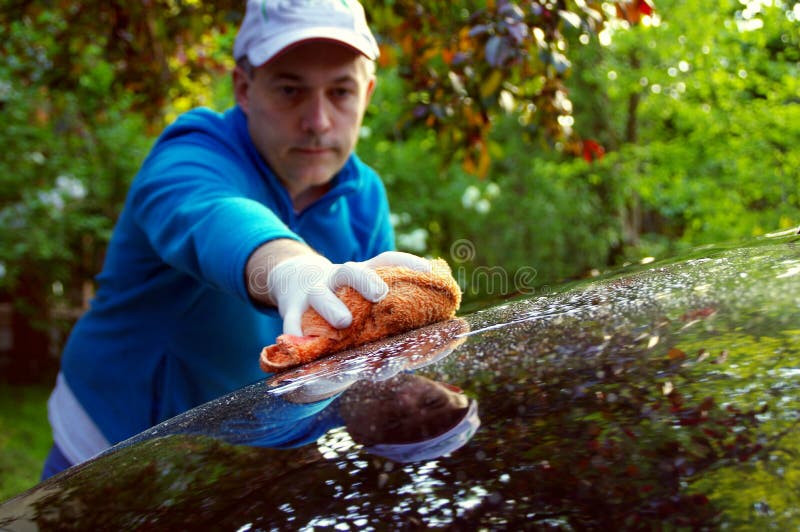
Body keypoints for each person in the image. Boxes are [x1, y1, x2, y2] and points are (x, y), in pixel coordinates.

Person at [41, 0, 430, 480]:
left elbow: (369, 346)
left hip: (255, 460)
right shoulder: (192, 153)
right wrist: (293, 270)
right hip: (112, 453)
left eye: (341, 92)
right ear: (244, 89)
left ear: (367, 94)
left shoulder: (364, 196)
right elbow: (214, 217)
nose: (319, 120)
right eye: (291, 90)